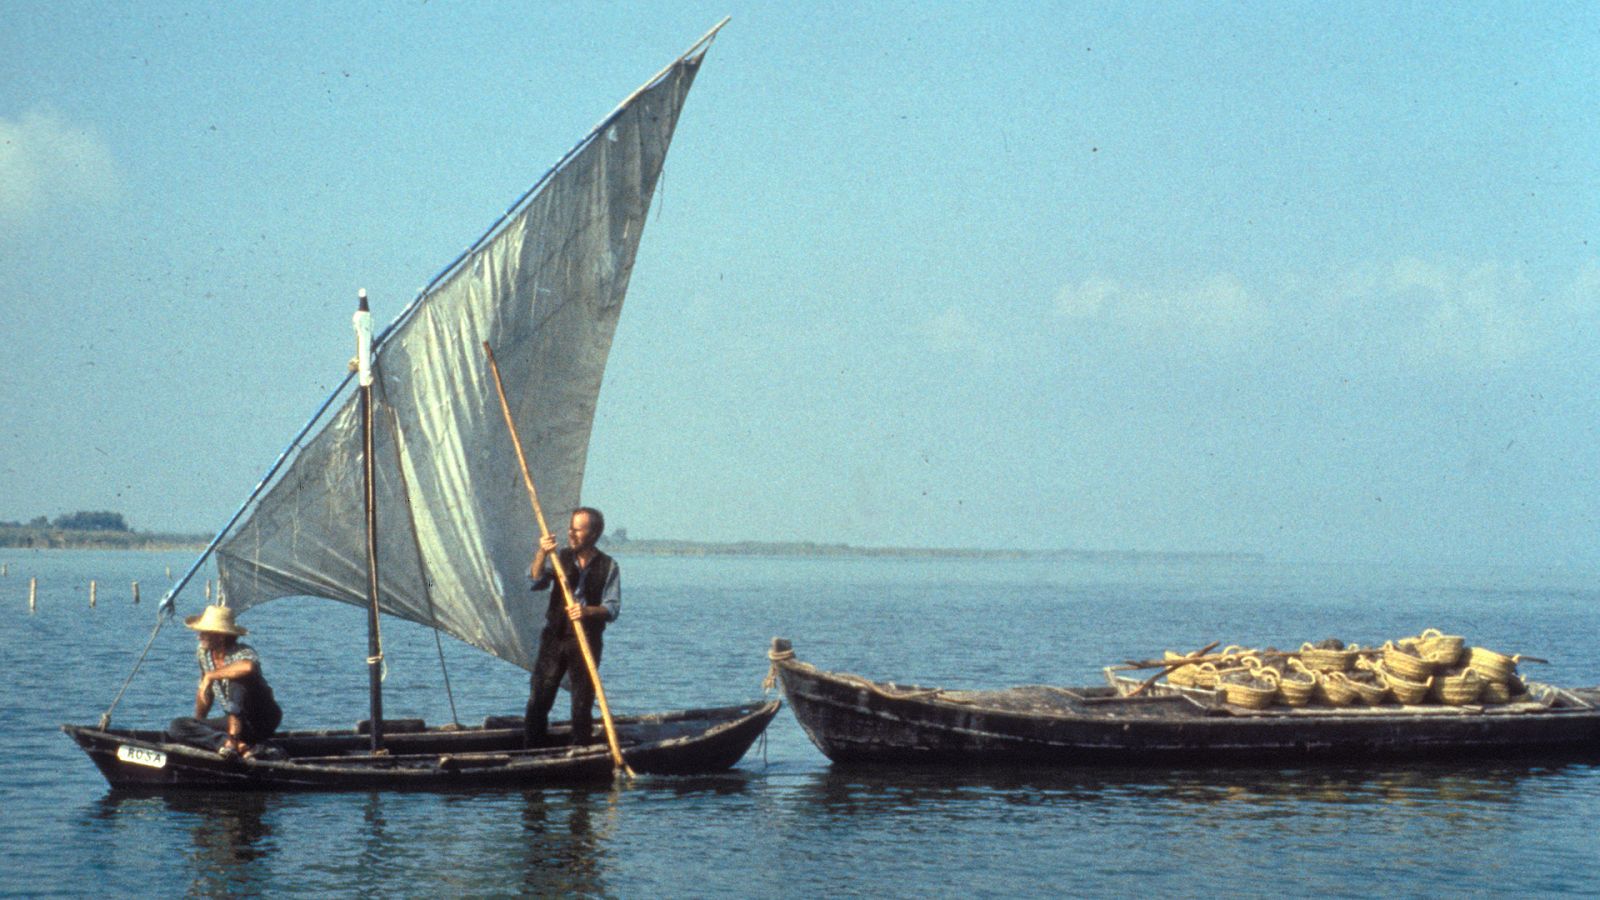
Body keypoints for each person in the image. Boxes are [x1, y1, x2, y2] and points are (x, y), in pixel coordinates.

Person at [524, 507, 620, 747]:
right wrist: (542, 553)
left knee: (582, 702)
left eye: (577, 530)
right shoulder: (560, 558)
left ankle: (580, 749)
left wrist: (587, 611)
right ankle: (532, 749)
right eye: (571, 528)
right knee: (539, 697)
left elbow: (612, 609)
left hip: (586, 640)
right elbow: (535, 581)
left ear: (593, 533)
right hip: (555, 638)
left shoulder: (608, 566)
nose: (571, 534)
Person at [167, 604, 282, 759]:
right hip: (233, 722)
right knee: (178, 726)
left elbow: (248, 667)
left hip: (260, 720)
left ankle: (233, 742)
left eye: (204, 633)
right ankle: (233, 745)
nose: (199, 636)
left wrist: (211, 676)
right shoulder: (204, 653)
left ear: (220, 636)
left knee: (237, 681)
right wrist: (199, 724)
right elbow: (204, 689)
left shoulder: (242, 652)